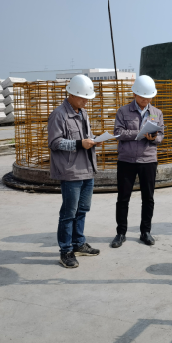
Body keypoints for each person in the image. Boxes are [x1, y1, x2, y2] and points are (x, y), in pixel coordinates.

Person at [48, 74, 100, 268]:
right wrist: (79, 144)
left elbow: (86, 136)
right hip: (71, 172)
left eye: (87, 98)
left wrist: (94, 140)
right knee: (69, 213)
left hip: (87, 169)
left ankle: (79, 243)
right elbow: (54, 142)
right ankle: (66, 250)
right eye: (83, 98)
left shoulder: (83, 113)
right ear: (71, 94)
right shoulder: (59, 114)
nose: (86, 101)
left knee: (82, 210)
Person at [110, 75, 164, 248]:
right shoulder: (123, 111)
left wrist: (153, 137)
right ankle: (120, 233)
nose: (145, 100)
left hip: (148, 160)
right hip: (126, 160)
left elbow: (161, 135)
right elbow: (118, 133)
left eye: (148, 97)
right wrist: (139, 133)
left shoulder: (157, 113)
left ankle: (145, 232)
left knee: (148, 198)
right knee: (123, 198)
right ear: (134, 94)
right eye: (142, 97)